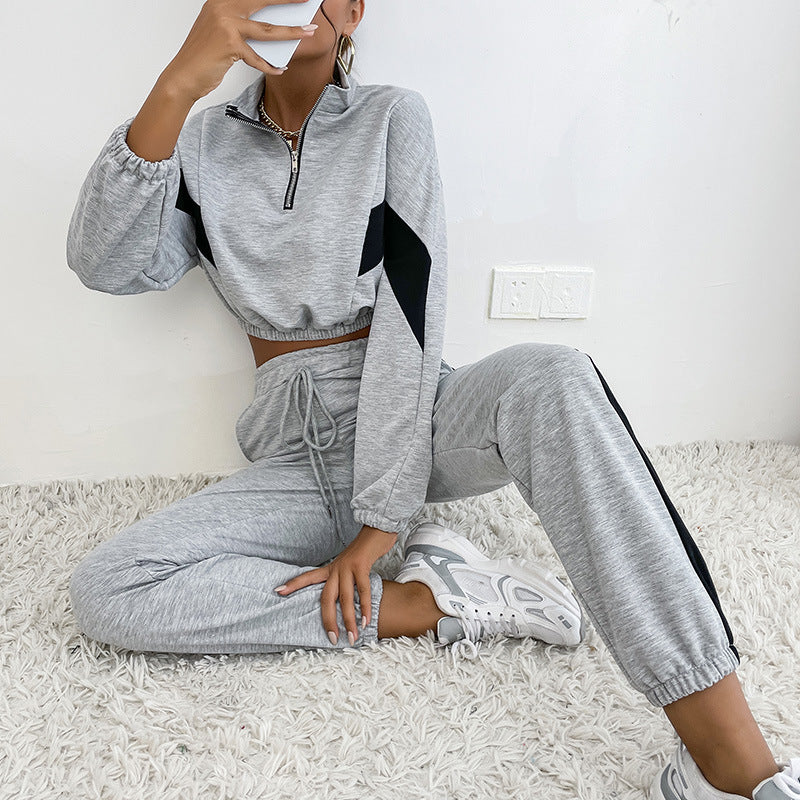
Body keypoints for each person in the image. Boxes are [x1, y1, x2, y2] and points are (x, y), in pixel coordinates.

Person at [64, 2, 799, 799]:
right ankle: (436, 598)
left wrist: (382, 519)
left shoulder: (390, 118)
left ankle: (730, 763)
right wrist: (177, 82)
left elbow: (412, 307)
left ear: (352, 12)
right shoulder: (203, 145)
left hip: (419, 412)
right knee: (109, 588)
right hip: (295, 453)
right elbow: (108, 263)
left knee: (553, 376)